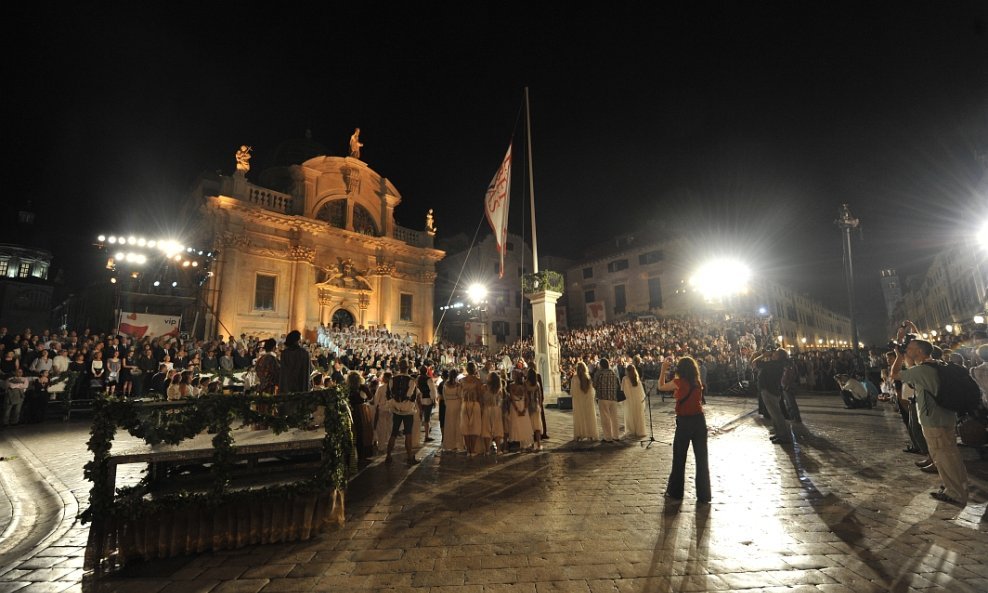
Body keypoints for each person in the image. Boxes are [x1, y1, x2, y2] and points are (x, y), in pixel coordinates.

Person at [890, 332, 968, 507]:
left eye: (910, 348)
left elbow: (894, 374)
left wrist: (898, 357)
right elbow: (912, 367)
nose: (907, 351)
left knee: (942, 456)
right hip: (947, 415)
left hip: (933, 420)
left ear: (918, 351)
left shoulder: (922, 370)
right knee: (951, 453)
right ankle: (958, 486)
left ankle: (955, 493)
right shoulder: (937, 365)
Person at [657, 356, 711, 504]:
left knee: (679, 458)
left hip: (685, 421)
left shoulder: (678, 382)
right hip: (699, 421)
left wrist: (663, 370)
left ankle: (676, 492)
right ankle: (704, 495)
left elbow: (661, 386)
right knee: (702, 459)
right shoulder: (697, 382)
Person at [751, 349, 791, 444]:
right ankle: (779, 434)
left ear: (779, 356)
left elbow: (754, 362)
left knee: (776, 415)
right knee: (774, 414)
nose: (773, 354)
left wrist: (763, 355)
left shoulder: (775, 364)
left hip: (769, 391)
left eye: (775, 353)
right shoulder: (777, 363)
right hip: (771, 390)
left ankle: (783, 436)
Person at [385, 360, 420, 465]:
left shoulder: (392, 379)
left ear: (399, 367)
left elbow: (388, 394)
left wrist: (394, 403)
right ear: (408, 368)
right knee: (408, 433)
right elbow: (411, 395)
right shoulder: (412, 380)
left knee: (394, 433)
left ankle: (388, 456)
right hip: (408, 410)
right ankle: (409, 457)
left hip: (395, 409)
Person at [592, 358, 620, 442]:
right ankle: (616, 436)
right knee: (614, 418)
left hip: (603, 397)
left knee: (605, 418)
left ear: (601, 365)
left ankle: (608, 437)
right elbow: (618, 385)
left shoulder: (599, 373)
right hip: (613, 397)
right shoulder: (613, 373)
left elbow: (594, 384)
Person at [459, 362, 484, 456]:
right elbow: (480, 395)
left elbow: (460, 393)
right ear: (474, 369)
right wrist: (481, 407)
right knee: (474, 426)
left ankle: (468, 449)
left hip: (465, 404)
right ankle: (472, 450)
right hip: (475, 404)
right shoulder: (478, 381)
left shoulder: (462, 380)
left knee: (465, 427)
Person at [570, 361, 598, 441]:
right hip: (587, 402)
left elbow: (572, 392)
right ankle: (590, 434)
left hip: (578, 402)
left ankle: (579, 434)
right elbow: (592, 392)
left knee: (579, 417)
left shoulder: (574, 379)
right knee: (589, 417)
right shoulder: (588, 378)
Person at [481, 371, 505, 454]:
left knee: (486, 428)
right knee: (497, 428)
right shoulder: (499, 389)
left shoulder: (484, 387)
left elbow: (481, 400)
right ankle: (499, 449)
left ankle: (487, 450)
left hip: (487, 409)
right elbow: (501, 401)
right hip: (497, 409)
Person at [621, 363, 647, 437]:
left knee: (630, 416)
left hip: (629, 401)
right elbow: (642, 392)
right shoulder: (637, 379)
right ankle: (639, 431)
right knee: (638, 416)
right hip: (638, 400)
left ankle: (631, 430)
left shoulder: (624, 379)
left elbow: (622, 390)